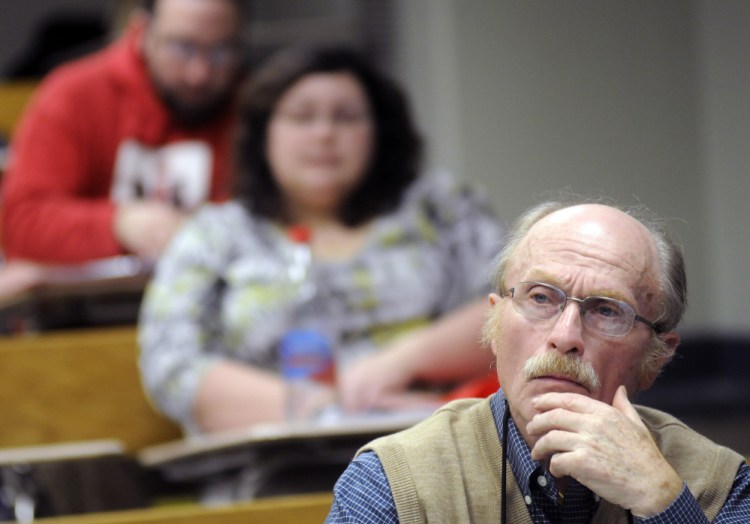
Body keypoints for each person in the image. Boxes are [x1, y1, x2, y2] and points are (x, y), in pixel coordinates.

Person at [137, 45, 505, 435]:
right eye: (302, 116)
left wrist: (400, 362)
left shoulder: (440, 208)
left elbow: (522, 308)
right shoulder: (214, 233)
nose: (324, 133)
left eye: (345, 117)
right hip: (273, 469)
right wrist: (334, 407)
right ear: (264, 133)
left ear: (378, 131)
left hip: (437, 443)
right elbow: (171, 366)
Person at [326, 198, 750, 523]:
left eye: (606, 310)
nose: (565, 337)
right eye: (541, 298)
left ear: (656, 357)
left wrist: (663, 503)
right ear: (494, 324)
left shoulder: (717, 481)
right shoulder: (393, 483)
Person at [0, 0, 247, 264]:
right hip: (95, 298)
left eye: (221, 51)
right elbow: (20, 222)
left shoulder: (249, 105)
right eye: (182, 48)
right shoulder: (76, 94)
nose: (199, 73)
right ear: (141, 32)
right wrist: (119, 224)